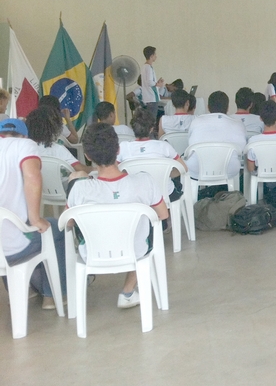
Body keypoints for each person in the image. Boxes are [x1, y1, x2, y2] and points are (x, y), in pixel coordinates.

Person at [66, 123, 168, 309]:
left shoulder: (80, 189)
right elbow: (163, 214)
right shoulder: (144, 181)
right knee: (150, 226)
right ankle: (128, 291)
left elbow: (69, 223)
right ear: (118, 149)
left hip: (92, 253)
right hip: (135, 250)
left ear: (88, 156)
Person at [0, 118, 67, 310]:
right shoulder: (24, 145)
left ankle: (20, 290)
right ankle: (52, 295)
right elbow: (32, 176)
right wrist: (36, 218)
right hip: (16, 246)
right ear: (24, 135)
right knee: (55, 229)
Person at [118, 108, 186, 202]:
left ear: (133, 128)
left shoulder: (123, 147)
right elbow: (183, 168)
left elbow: (115, 171)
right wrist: (165, 174)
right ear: (151, 129)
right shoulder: (164, 146)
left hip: (135, 197)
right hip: (165, 195)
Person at [186, 91, 246, 180]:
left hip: (198, 169)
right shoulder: (238, 124)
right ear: (228, 108)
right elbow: (241, 150)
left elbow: (190, 143)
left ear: (208, 107)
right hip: (229, 169)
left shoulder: (196, 121)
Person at [26, 106, 93, 173]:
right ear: (53, 128)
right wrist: (96, 169)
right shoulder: (58, 149)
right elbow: (81, 169)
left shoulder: (25, 148)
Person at [141, 45, 165, 118]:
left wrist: (156, 82)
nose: (156, 56)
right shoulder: (148, 67)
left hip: (147, 97)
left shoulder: (144, 66)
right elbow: (149, 82)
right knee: (152, 118)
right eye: (155, 54)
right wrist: (157, 84)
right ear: (151, 56)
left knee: (149, 118)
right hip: (152, 97)